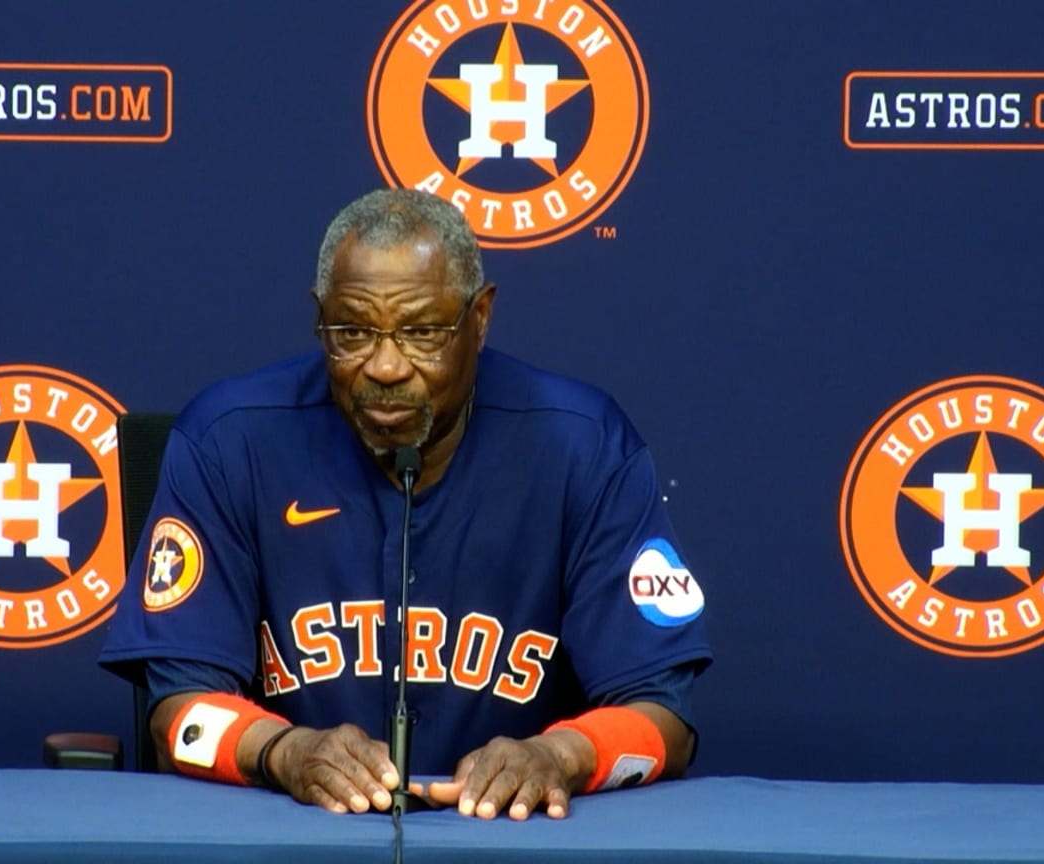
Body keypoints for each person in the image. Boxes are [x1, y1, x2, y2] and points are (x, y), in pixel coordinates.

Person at [99, 188, 712, 820]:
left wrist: (560, 756)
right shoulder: (229, 439)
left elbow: (663, 712)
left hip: (515, 843)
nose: (385, 365)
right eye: (353, 331)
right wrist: (286, 753)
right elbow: (178, 707)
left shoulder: (583, 444)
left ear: (480, 318)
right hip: (292, 839)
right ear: (320, 318)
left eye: (422, 331)